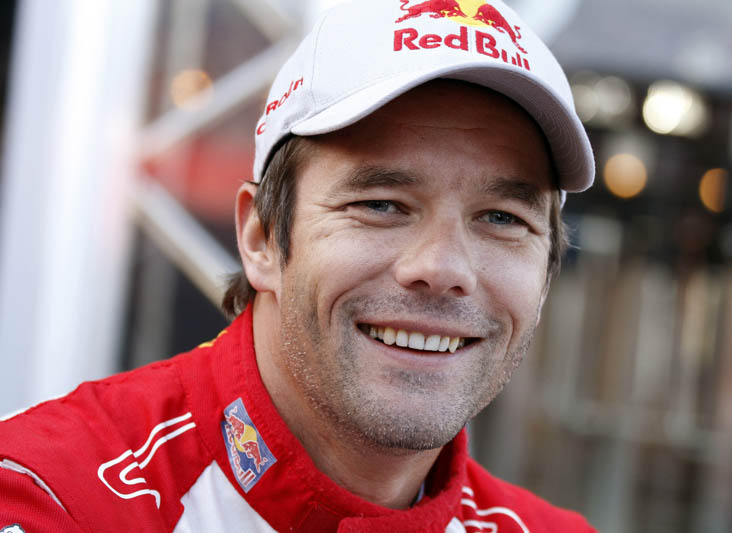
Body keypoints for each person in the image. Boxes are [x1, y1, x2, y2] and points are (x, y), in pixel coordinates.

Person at [0, 1, 596, 531]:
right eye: (381, 205)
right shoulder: (53, 498)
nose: (442, 268)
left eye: (502, 218)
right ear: (260, 237)